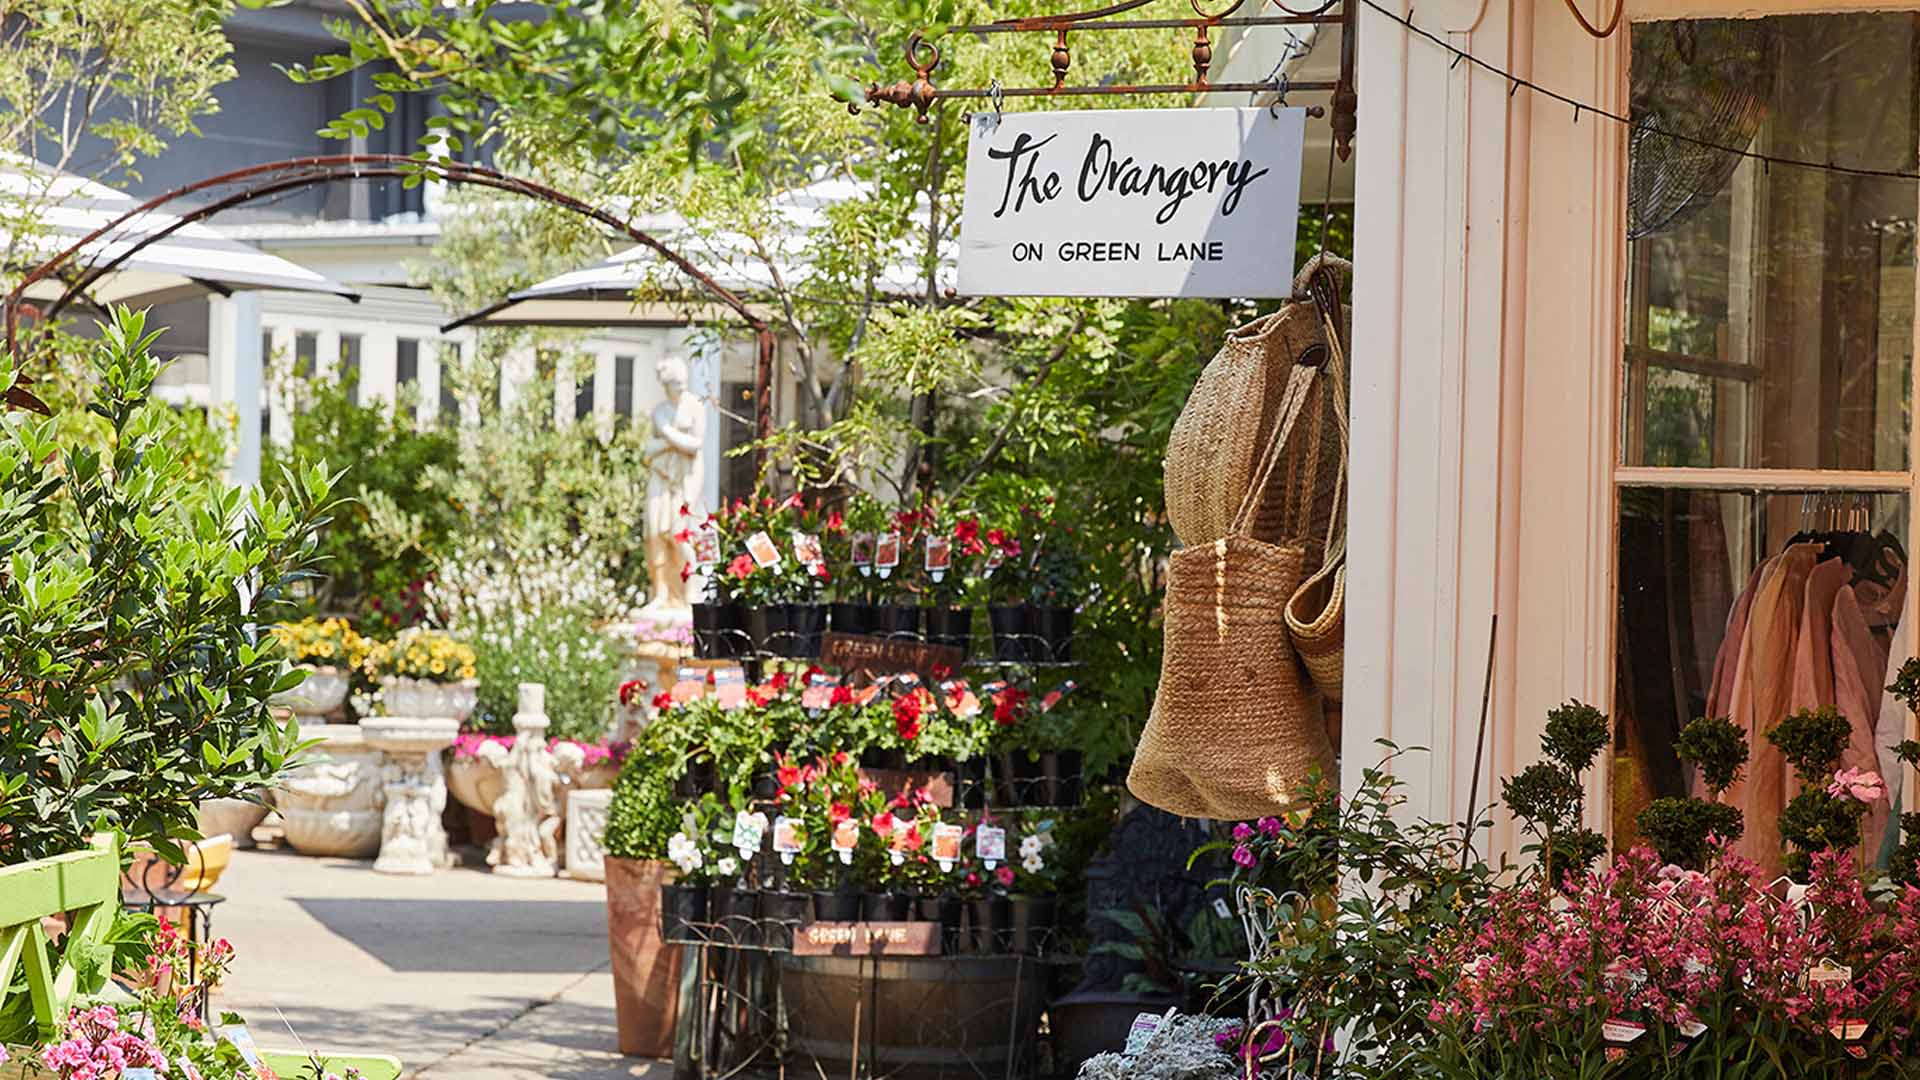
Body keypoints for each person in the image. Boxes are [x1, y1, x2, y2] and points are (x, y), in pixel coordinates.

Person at [644, 356, 705, 614]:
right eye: (675, 384)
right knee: (654, 531)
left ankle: (690, 588)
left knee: (679, 533)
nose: (680, 388)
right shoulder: (660, 411)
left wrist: (668, 435)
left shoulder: (694, 406)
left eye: (683, 383)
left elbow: (696, 444)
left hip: (685, 478)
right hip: (661, 474)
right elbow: (648, 450)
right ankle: (660, 593)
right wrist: (673, 440)